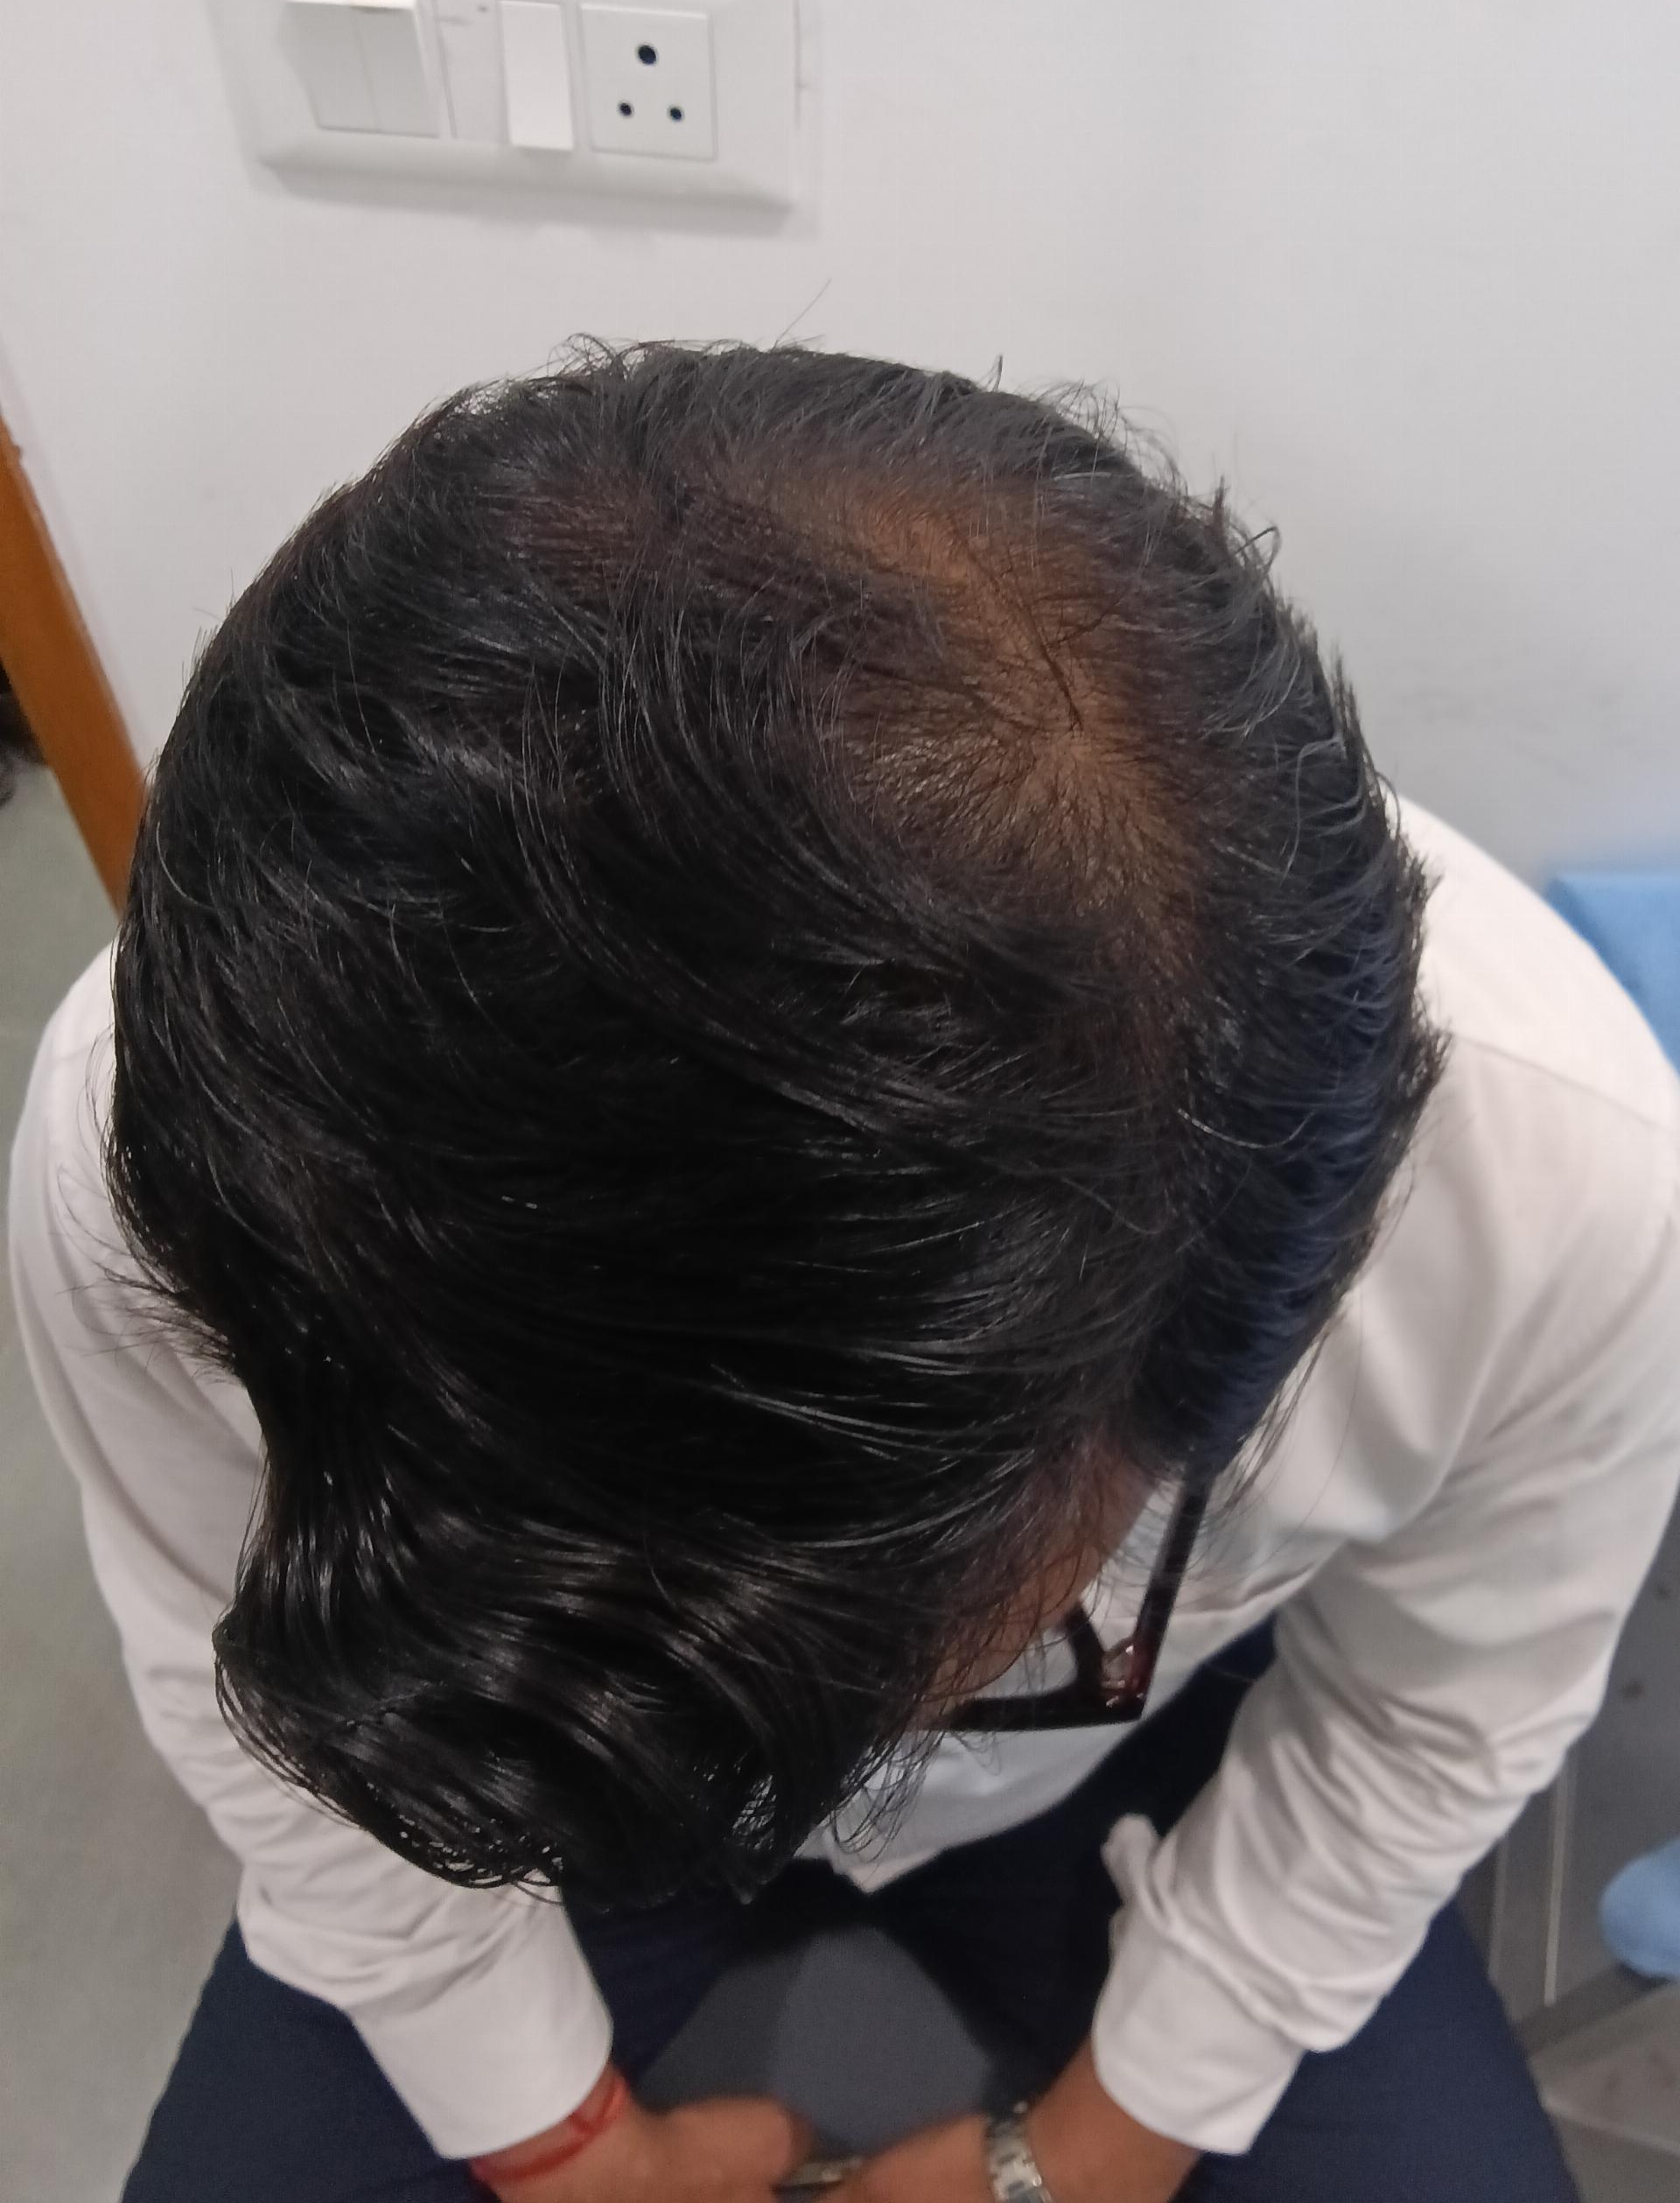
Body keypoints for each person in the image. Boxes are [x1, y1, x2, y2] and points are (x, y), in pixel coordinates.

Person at [10, 344, 1680, 2203]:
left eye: (963, 1610)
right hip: (508, 1735)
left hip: (1138, 1759)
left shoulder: (1560, 1190)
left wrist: (1093, 2146)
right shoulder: (177, 1153)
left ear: (1243, 1358)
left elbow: (1420, 1720)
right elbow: (231, 1670)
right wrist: (565, 2143)